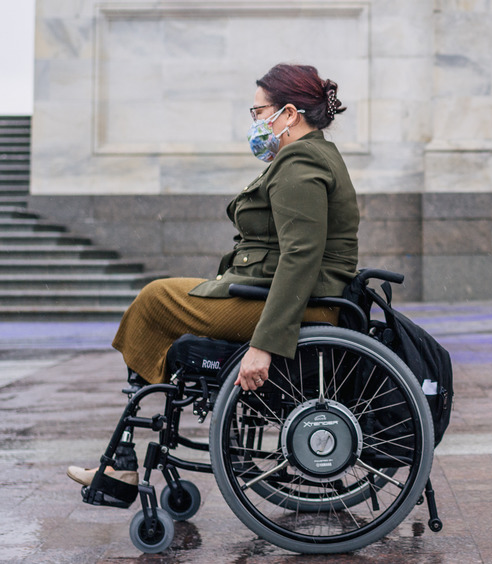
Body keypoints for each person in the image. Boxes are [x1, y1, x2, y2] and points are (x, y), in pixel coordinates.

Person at [67, 63, 360, 487]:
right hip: (288, 294)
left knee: (154, 300)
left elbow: (301, 256)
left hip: (304, 306)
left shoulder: (300, 162)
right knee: (163, 299)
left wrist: (264, 343)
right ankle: (126, 454)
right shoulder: (308, 156)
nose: (255, 122)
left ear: (290, 113)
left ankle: (125, 459)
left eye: (259, 112)